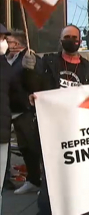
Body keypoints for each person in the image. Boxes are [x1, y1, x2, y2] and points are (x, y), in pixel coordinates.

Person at [21, 24, 89, 215]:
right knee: (51, 171)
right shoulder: (47, 62)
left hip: (78, 127)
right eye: (67, 37)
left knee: (77, 170)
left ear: (80, 41)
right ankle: (48, 209)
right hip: (52, 127)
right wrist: (28, 71)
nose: (72, 40)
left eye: (75, 37)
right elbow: (34, 87)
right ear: (61, 40)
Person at [6, 31, 42, 194]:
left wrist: (30, 71)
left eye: (11, 42)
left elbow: (36, 83)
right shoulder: (7, 60)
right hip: (11, 110)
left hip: (26, 111)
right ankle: (32, 179)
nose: (7, 44)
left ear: (20, 44)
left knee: (32, 147)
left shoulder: (29, 59)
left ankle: (38, 180)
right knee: (23, 147)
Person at [0, 23, 13, 215]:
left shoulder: (3, 63)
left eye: (3, 39)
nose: (3, 42)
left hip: (1, 131)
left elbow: (15, 91)